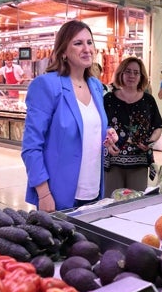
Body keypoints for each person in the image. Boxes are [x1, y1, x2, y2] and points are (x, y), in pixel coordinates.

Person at [21, 20, 118, 212]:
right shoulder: (47, 85)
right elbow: (31, 147)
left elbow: (85, 126)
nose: (87, 49)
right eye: (78, 43)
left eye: (90, 43)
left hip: (93, 190)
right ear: (63, 51)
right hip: (58, 194)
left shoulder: (96, 86)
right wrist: (44, 194)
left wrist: (105, 133)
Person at [104, 57, 162, 197]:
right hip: (113, 162)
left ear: (141, 76)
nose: (132, 76)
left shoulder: (148, 100)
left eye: (136, 73)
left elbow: (158, 127)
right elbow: (100, 126)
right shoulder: (108, 99)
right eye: (128, 71)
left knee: (136, 202)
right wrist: (107, 143)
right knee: (111, 202)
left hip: (139, 162)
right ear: (121, 74)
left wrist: (150, 142)